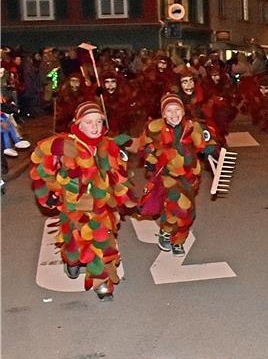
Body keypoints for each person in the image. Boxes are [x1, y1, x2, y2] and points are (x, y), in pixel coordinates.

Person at [29, 101, 133, 301]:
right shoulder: (63, 144)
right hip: (73, 206)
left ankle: (101, 281)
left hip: (101, 208)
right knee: (74, 244)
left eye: (98, 122)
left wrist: (124, 197)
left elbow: (118, 176)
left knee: (103, 242)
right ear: (78, 123)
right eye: (89, 122)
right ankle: (72, 260)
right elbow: (40, 169)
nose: (95, 127)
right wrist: (48, 193)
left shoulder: (108, 146)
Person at [139, 93, 218, 257]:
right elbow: (147, 145)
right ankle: (168, 232)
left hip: (189, 176)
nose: (173, 114)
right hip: (167, 175)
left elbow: (207, 140)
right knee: (178, 205)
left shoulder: (192, 127)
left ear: (183, 111)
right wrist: (150, 158)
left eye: (177, 110)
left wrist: (210, 148)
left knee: (188, 213)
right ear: (163, 113)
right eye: (169, 110)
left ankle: (178, 239)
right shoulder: (154, 128)